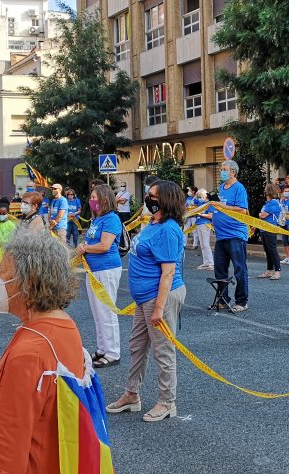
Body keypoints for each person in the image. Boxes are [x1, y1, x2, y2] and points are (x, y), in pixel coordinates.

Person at [0, 229, 96, 473]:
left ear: (28, 281)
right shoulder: (64, 325)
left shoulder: (29, 353)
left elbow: (7, 459)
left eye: (3, 272)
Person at [106, 180, 187, 422]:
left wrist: (159, 308)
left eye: (152, 195)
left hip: (160, 297)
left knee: (163, 351)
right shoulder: (152, 223)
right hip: (144, 298)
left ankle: (167, 401)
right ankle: (132, 394)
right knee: (137, 346)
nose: (148, 199)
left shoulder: (169, 229)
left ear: (165, 200)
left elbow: (168, 272)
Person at [76, 184, 124, 368]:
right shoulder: (97, 219)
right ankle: (103, 347)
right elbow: (92, 240)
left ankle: (113, 352)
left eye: (95, 197)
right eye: (91, 197)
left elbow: (105, 245)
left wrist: (85, 248)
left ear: (104, 199)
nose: (91, 201)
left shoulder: (111, 219)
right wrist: (84, 245)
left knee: (106, 311)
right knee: (98, 311)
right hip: (94, 270)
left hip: (106, 269)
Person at [211, 159, 250, 312]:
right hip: (221, 235)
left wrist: (222, 206)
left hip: (235, 235)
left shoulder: (239, 188)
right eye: (221, 168)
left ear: (233, 172)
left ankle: (241, 301)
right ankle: (222, 299)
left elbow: (242, 210)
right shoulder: (221, 187)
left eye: (224, 169)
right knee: (220, 269)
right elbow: (220, 207)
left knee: (240, 269)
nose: (221, 171)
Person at [258, 183, 284, 280]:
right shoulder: (268, 203)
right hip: (263, 229)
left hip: (270, 229)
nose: (264, 191)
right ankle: (269, 270)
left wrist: (260, 214)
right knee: (267, 251)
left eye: (265, 190)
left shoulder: (273, 203)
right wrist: (261, 214)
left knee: (272, 250)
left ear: (268, 191)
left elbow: (263, 215)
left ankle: (277, 271)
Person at [0, 204, 18, 276]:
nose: (1, 215)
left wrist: (4, 243)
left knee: (5, 275)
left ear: (8, 214)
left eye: (4, 214)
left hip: (7, 254)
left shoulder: (11, 225)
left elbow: (15, 241)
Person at [193, 188, 214, 270]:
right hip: (199, 223)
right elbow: (192, 202)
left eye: (200, 196)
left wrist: (200, 214)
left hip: (205, 224)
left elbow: (210, 216)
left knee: (205, 244)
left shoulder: (210, 204)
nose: (199, 198)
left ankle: (211, 263)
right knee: (202, 244)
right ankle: (206, 262)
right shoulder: (200, 203)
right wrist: (196, 196)